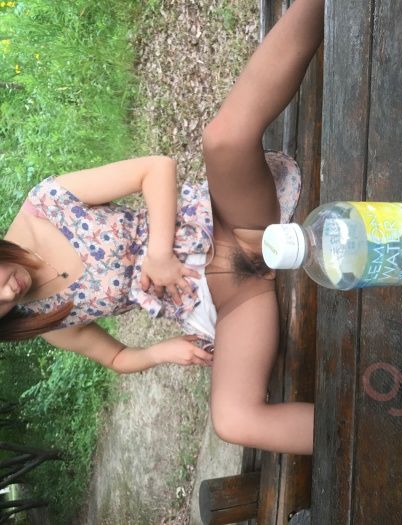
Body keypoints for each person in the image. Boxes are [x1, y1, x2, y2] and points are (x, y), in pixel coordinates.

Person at [0, 0, 324, 455]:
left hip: (227, 224)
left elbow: (155, 168)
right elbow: (116, 357)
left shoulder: (46, 205)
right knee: (233, 420)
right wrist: (160, 352)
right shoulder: (46, 320)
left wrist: (157, 252)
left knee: (224, 138)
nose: (7, 294)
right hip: (229, 302)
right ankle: (384, 441)